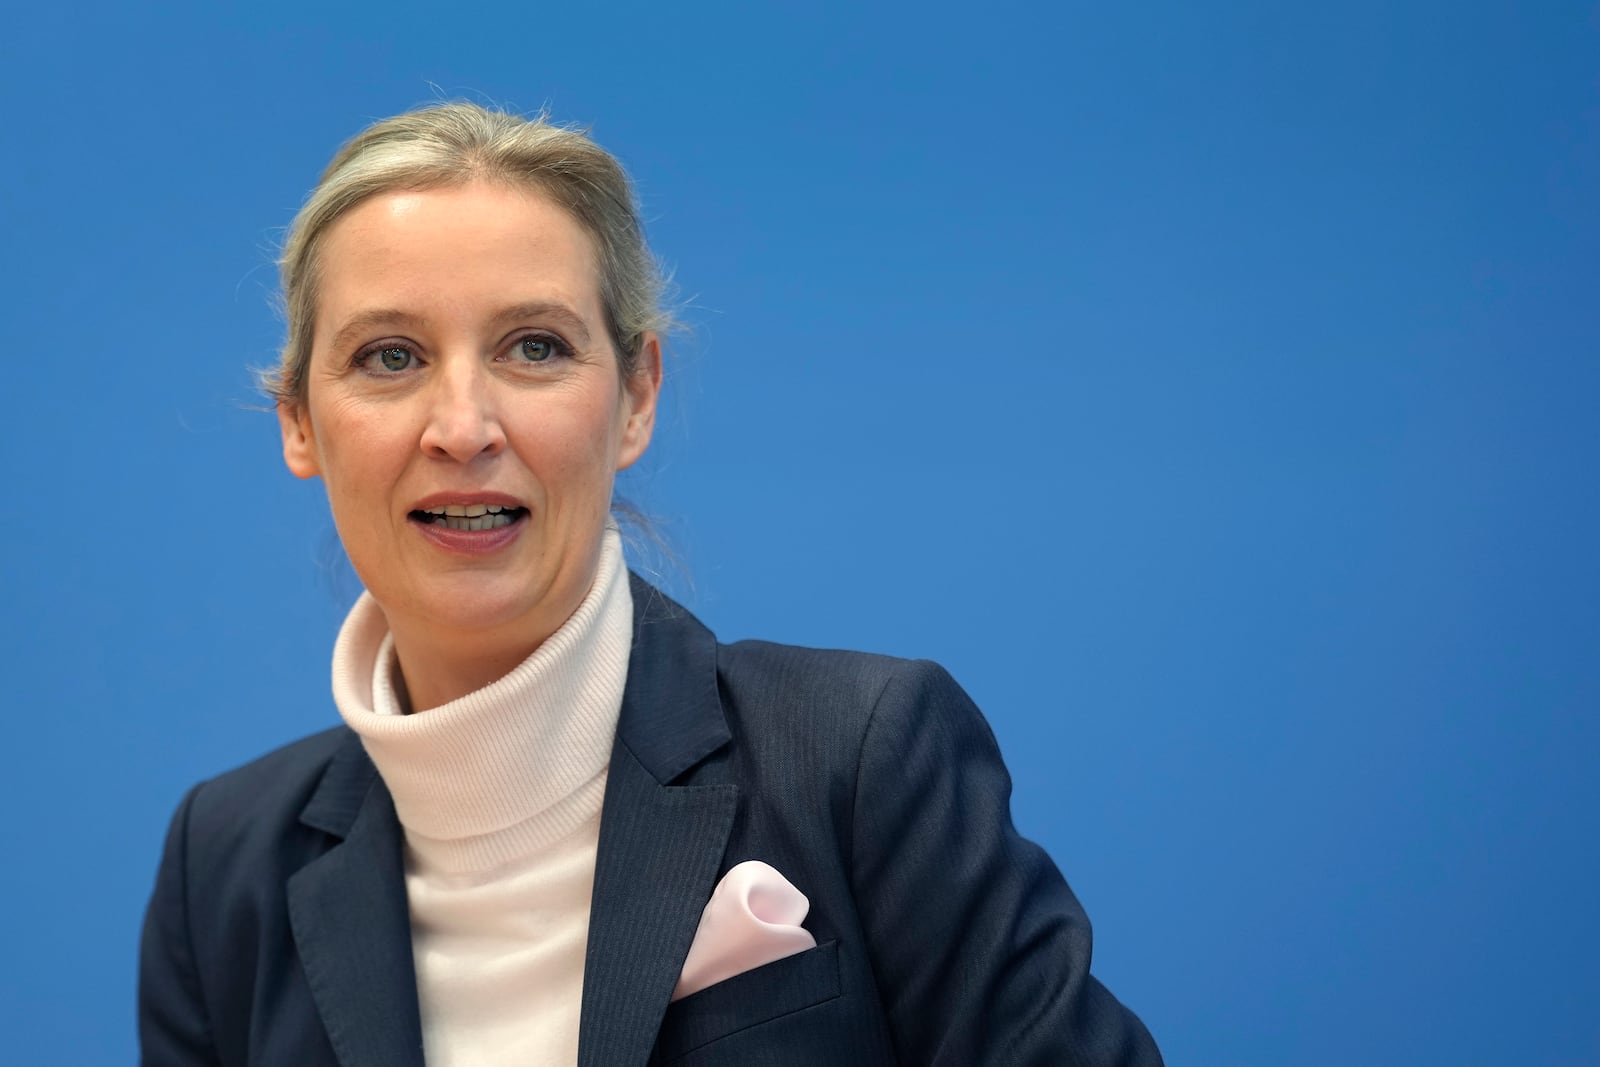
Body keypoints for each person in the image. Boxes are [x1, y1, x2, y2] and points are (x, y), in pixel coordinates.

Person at [138, 102, 1164, 1067]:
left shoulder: (859, 759)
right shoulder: (223, 864)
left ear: (636, 396)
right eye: (390, 355)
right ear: (299, 423)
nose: (462, 425)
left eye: (533, 346)